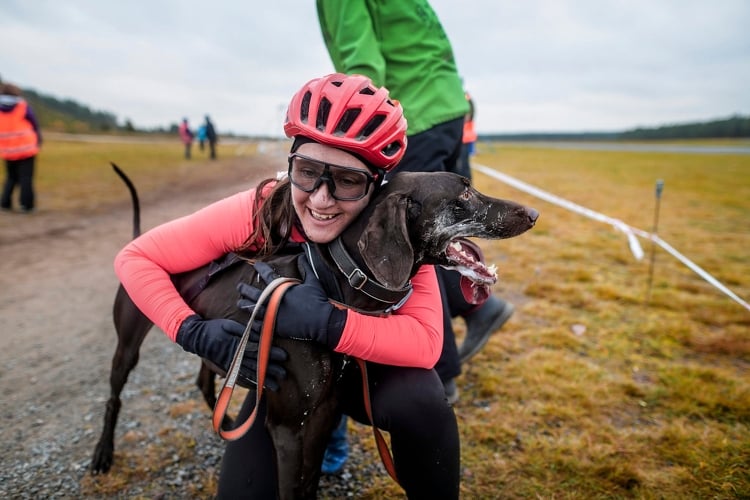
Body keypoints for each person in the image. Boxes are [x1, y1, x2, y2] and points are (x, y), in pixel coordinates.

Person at [114, 73, 460, 498]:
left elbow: (426, 344)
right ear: (291, 165)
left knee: (423, 405)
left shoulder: (397, 225)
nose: (320, 199)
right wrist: (191, 331)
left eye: (348, 181)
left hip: (365, 373)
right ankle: (323, 425)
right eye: (308, 171)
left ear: (376, 186)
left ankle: (338, 428)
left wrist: (328, 324)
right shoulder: (264, 207)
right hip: (291, 381)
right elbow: (135, 258)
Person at [317, 0, 514, 405]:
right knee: (438, 233)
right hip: (447, 110)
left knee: (406, 241)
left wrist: (351, 143)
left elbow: (362, 64)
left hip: (413, 116)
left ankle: (439, 374)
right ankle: (477, 308)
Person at [1, 81, 42, 213]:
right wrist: (38, 139)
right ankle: (26, 205)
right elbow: (34, 123)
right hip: (26, 148)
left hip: (7, 149)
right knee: (26, 178)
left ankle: (5, 203)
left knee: (11, 177)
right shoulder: (22, 106)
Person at [455, 90, 476, 181]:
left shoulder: (463, 98)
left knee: (463, 167)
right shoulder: (465, 98)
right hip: (461, 137)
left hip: (464, 137)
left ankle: (466, 188)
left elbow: (468, 116)